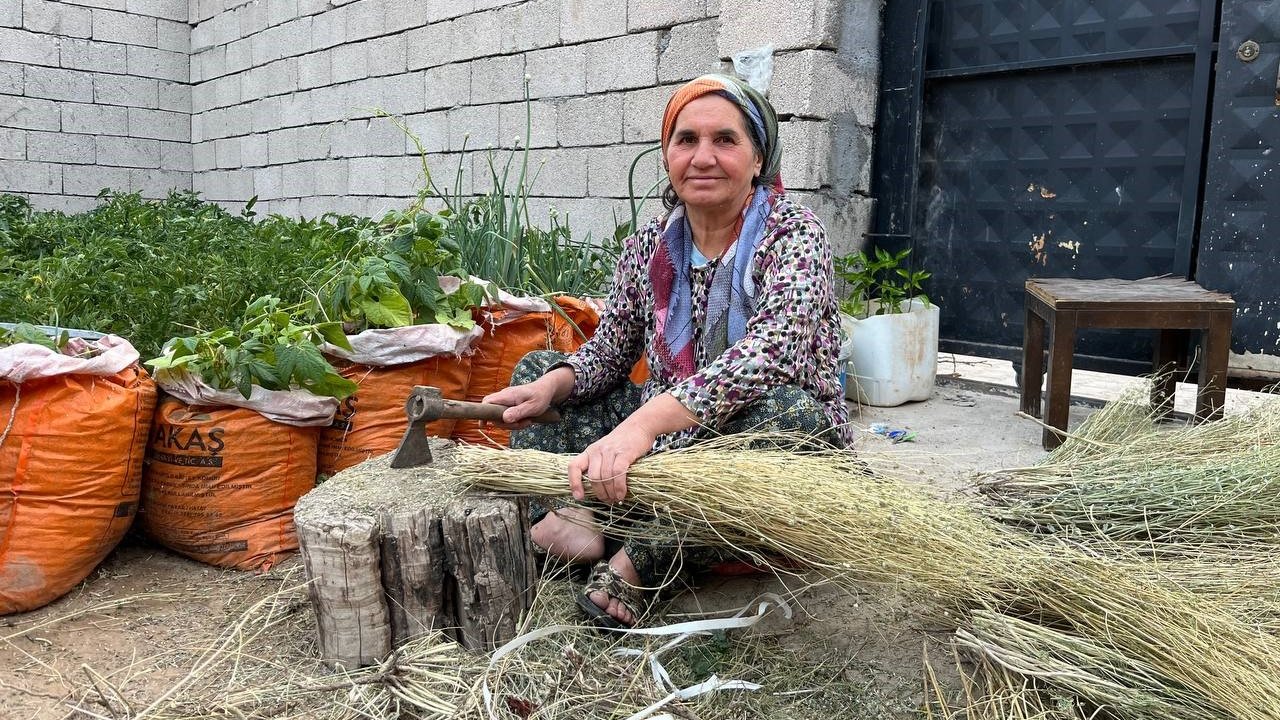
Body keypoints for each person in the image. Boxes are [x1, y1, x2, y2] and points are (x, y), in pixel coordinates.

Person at [483, 73, 852, 629]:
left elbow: (768, 356)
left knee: (791, 416)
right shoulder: (651, 246)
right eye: (687, 140)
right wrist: (554, 385)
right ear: (668, 155)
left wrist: (642, 427)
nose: (703, 157)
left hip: (753, 438)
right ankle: (577, 520)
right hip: (667, 440)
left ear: (758, 159)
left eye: (725, 140)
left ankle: (644, 558)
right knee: (540, 368)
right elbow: (610, 352)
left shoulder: (794, 237)